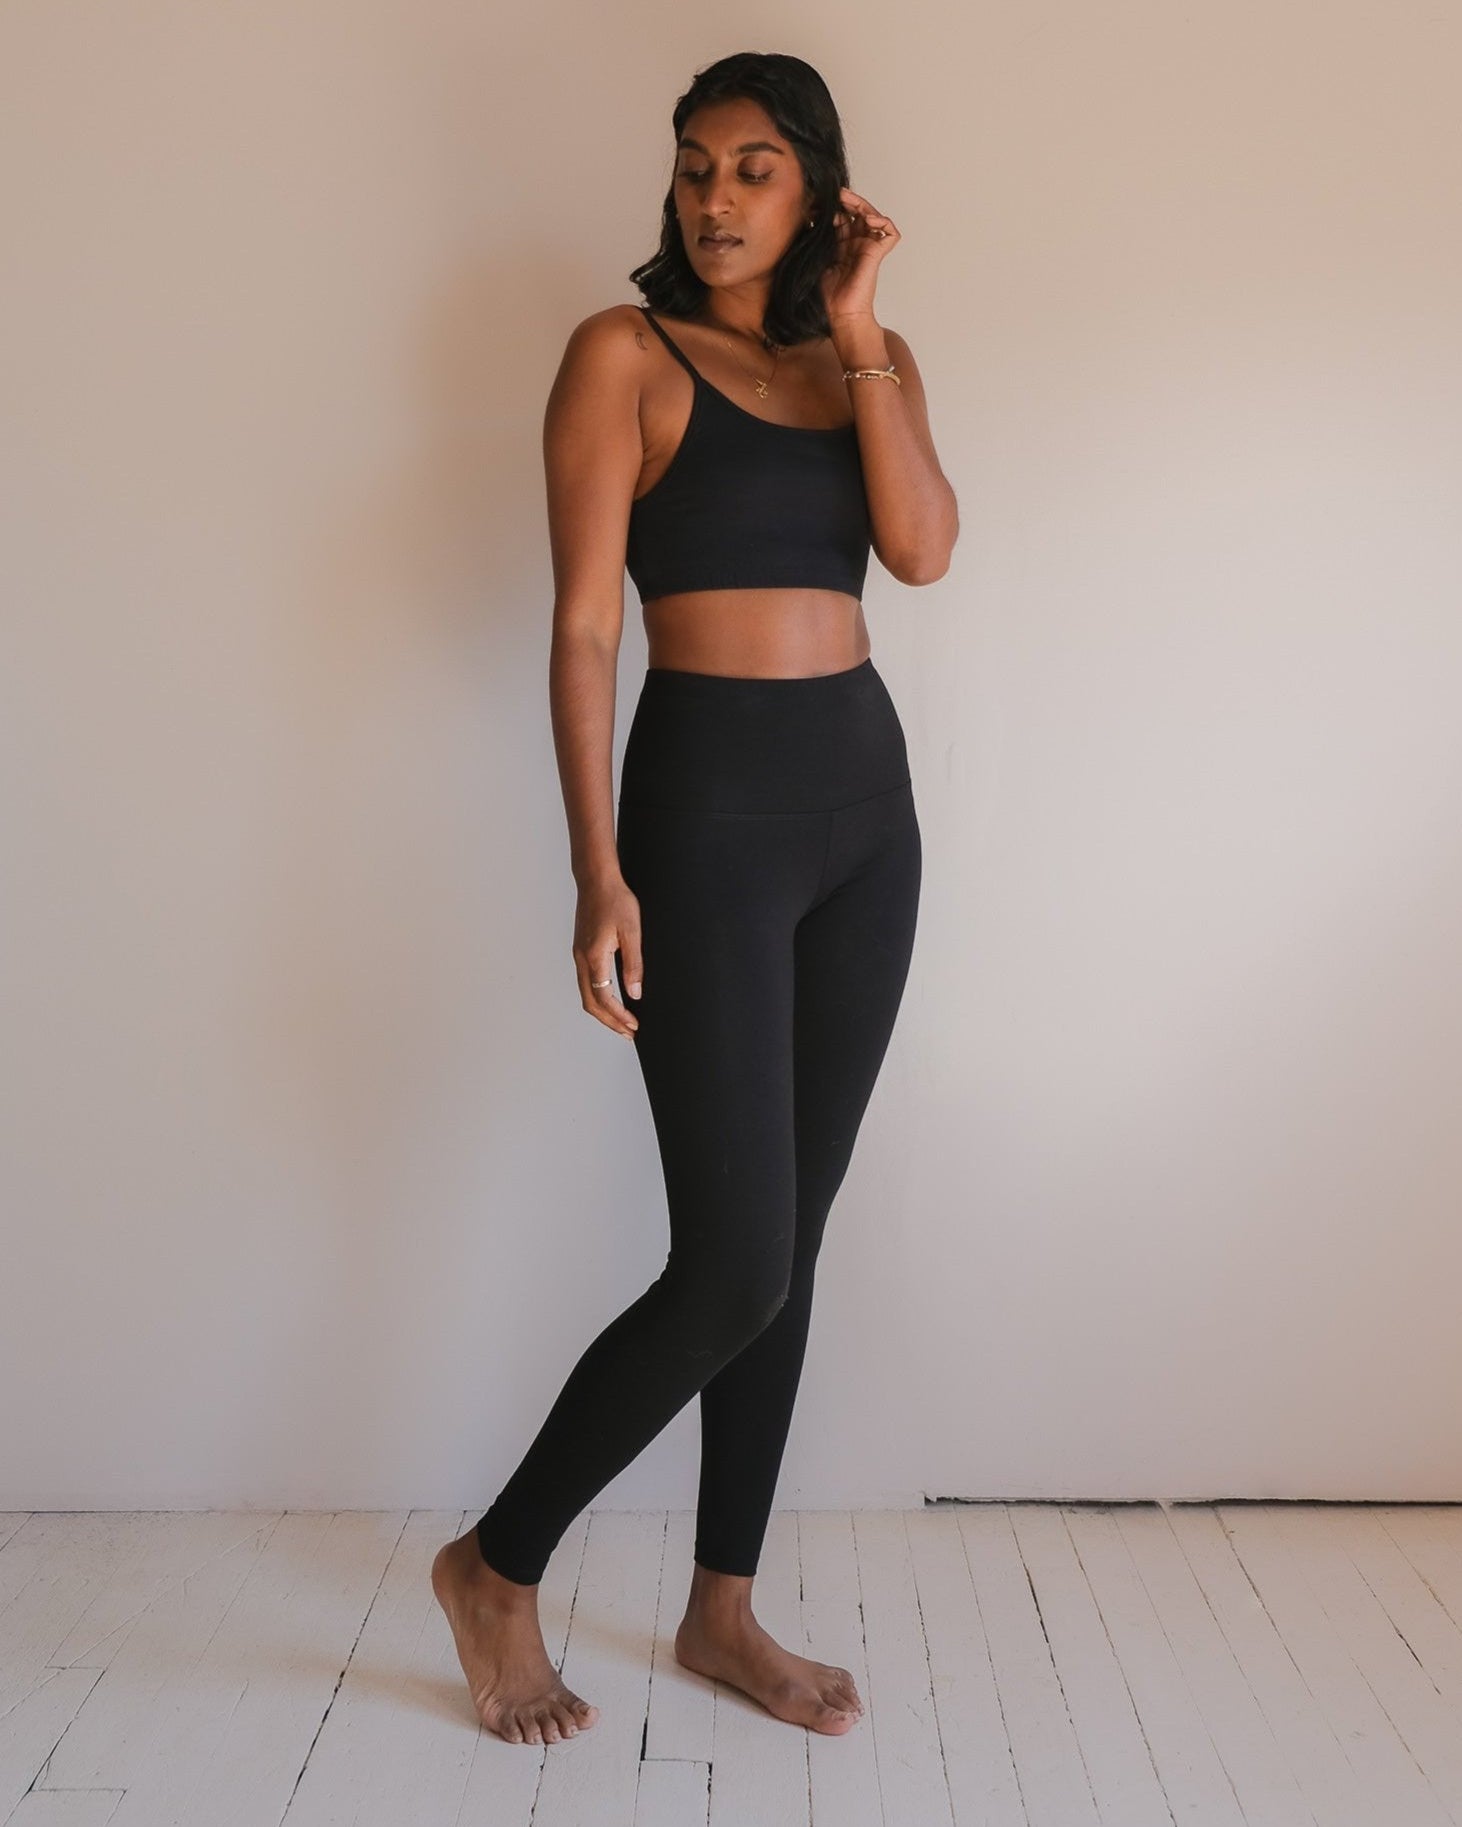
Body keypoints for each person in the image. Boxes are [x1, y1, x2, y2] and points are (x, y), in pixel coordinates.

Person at [431, 50, 958, 1748]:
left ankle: (722, 1610)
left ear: (816, 191)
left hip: (866, 822)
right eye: (693, 167)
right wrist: (596, 865)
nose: (714, 199)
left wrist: (860, 325)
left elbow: (922, 548)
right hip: (707, 821)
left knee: (784, 1248)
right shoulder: (623, 353)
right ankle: (495, 1565)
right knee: (731, 1260)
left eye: (752, 170)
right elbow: (585, 625)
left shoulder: (863, 358)